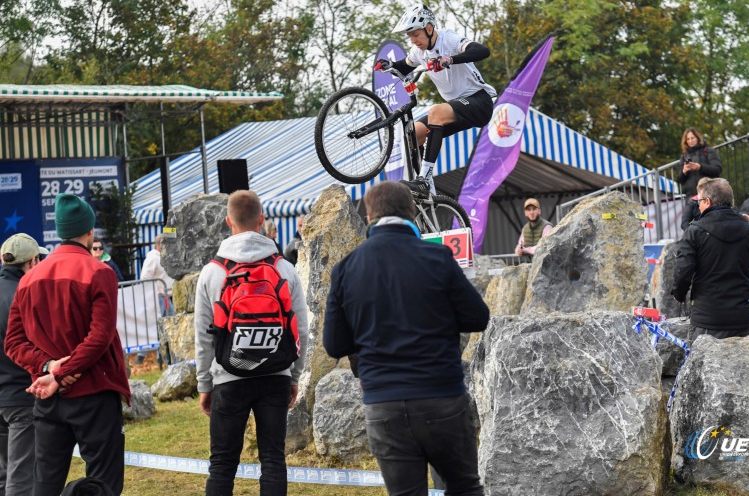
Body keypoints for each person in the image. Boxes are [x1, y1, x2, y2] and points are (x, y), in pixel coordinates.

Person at [324, 181, 489, 495]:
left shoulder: (346, 269)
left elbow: (334, 344)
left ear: (369, 215)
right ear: (412, 213)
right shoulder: (438, 257)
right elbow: (477, 317)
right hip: (441, 395)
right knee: (465, 486)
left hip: (384, 402)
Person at [4, 193, 131, 496]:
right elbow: (100, 336)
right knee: (104, 483)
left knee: (44, 485)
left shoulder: (29, 278)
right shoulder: (100, 272)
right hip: (93, 393)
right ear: (89, 231)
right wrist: (59, 371)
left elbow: (14, 342)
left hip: (48, 398)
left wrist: (49, 368)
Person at [194, 190, 309, 496]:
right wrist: (294, 376)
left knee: (221, 464)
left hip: (228, 377)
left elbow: (203, 337)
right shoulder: (284, 269)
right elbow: (302, 328)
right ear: (261, 220)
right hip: (275, 375)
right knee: (273, 460)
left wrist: (205, 385)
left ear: (227, 221)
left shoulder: (212, 273)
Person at [376, 4, 496, 197]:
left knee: (436, 112)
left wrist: (450, 59)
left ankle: (424, 179)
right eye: (410, 36)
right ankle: (426, 188)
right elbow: (404, 67)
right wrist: (389, 65)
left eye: (416, 34)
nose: (414, 41)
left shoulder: (448, 38)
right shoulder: (418, 52)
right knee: (412, 133)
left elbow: (482, 51)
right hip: (457, 108)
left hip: (479, 102)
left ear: (429, 29)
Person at [671, 178, 749, 341]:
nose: (698, 206)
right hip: (739, 317)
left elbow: (682, 271)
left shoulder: (694, 231)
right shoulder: (748, 228)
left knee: (703, 366)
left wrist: (678, 294)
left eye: (699, 201)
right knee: (740, 366)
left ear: (707, 201)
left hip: (706, 319)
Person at [0, 234, 43, 495]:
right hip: (20, 397)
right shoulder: (26, 295)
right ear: (32, 261)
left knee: (4, 476)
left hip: (6, 395)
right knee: (21, 476)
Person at [675, 128, 722, 199]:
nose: (690, 141)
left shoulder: (708, 150)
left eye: (692, 138)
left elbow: (717, 169)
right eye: (688, 139)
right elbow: (679, 180)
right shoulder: (684, 156)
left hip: (709, 193)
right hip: (691, 196)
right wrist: (684, 171)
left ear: (697, 138)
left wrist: (700, 167)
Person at [139, 233, 175, 317]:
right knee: (162, 320)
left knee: (168, 318)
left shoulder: (163, 257)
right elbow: (144, 278)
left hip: (165, 295)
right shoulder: (153, 258)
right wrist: (156, 291)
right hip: (158, 296)